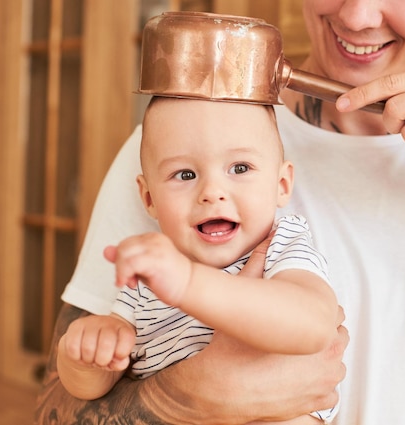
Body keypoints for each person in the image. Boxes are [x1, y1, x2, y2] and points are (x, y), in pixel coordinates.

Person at [35, 0, 405, 423]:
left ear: (282, 181)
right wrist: (179, 399)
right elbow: (54, 407)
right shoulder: (177, 146)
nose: (357, 16)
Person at [56, 96, 340, 423]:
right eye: (185, 175)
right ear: (149, 198)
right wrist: (84, 357)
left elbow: (314, 324)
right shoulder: (149, 277)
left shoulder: (281, 245)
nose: (211, 191)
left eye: (240, 168)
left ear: (281, 184)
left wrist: (188, 283)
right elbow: (93, 389)